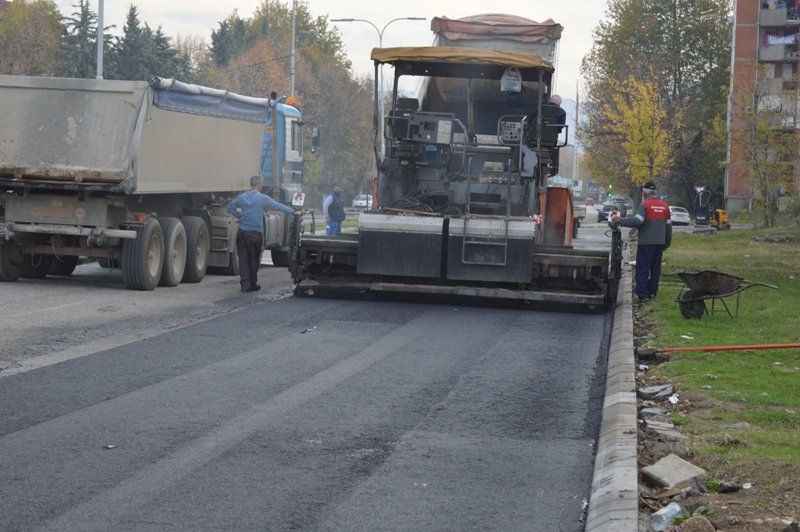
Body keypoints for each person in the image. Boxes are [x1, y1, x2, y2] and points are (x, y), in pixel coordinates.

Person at [227, 174, 295, 292]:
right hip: (255, 234)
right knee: (254, 259)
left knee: (243, 259)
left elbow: (230, 207)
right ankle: (252, 284)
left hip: (242, 233)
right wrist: (294, 212)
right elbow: (278, 206)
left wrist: (239, 216)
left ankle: (244, 284)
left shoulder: (242, 197)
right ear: (260, 185)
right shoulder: (263, 198)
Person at [612, 181, 672, 303]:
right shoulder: (665, 207)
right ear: (655, 193)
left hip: (646, 243)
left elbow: (637, 221)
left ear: (645, 193)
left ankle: (642, 295)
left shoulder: (645, 206)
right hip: (659, 243)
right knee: (655, 269)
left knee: (643, 268)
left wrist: (620, 220)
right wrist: (666, 243)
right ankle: (652, 294)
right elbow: (669, 227)